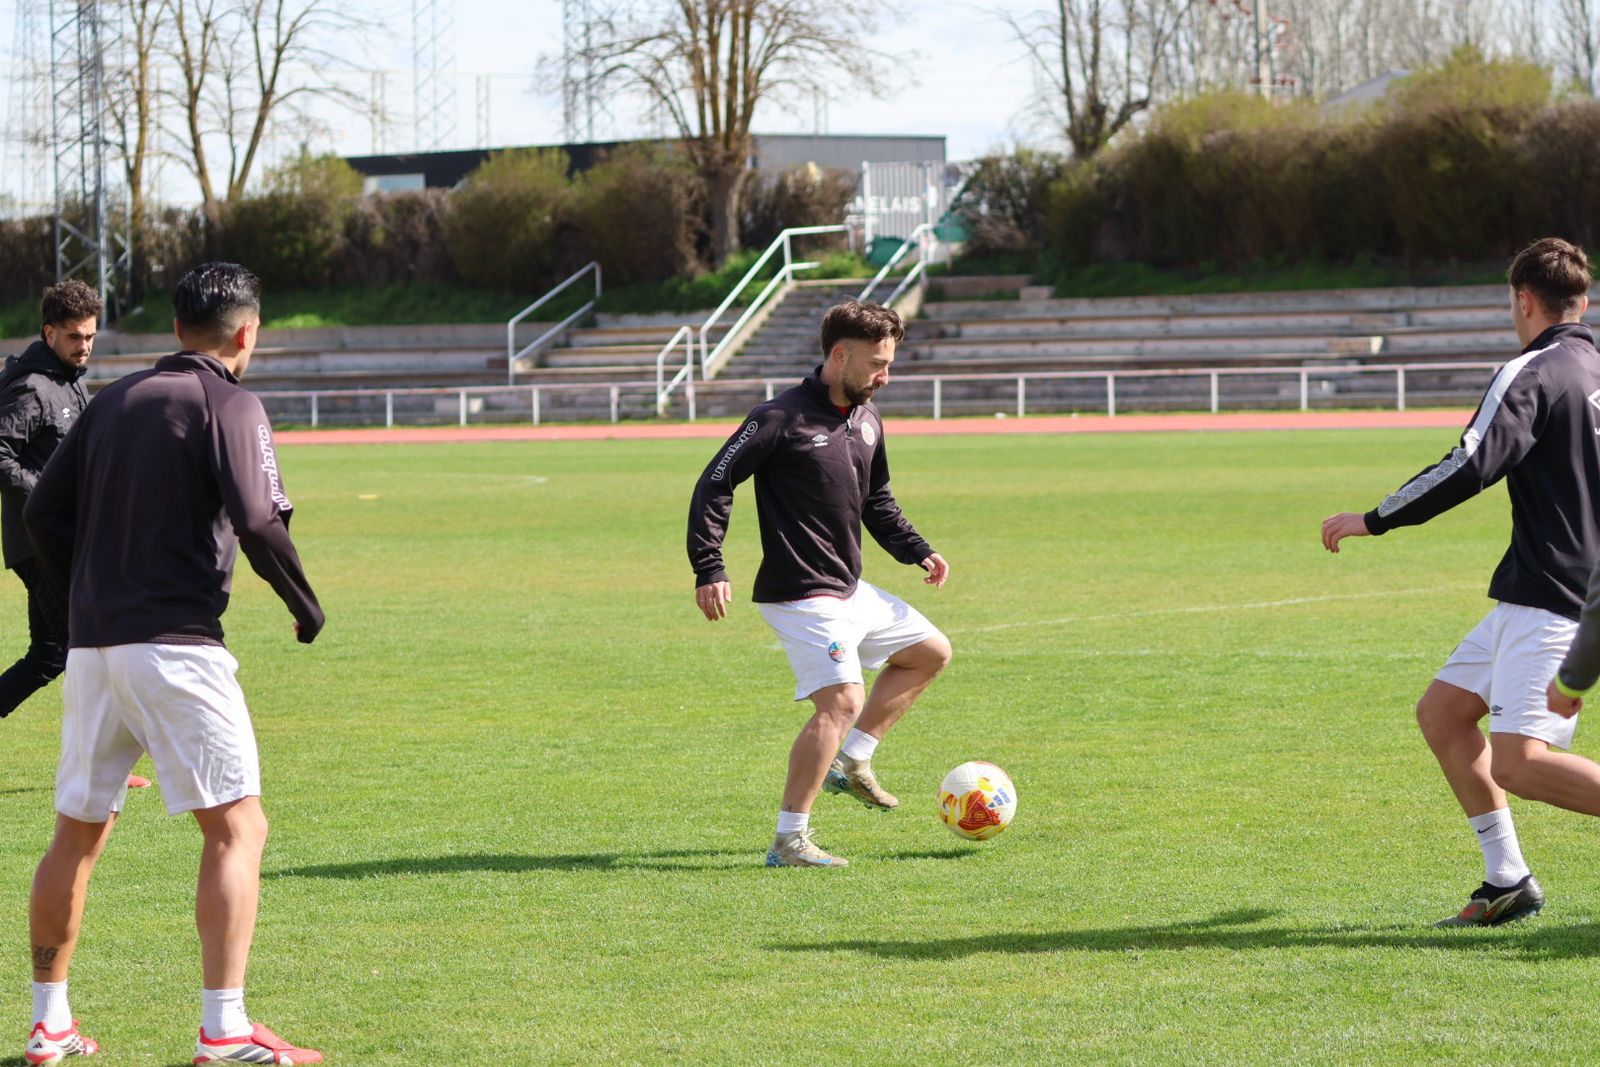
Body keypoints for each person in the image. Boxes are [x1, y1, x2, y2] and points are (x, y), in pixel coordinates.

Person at [22, 263, 326, 1066]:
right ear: (246, 332)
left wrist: (80, 601)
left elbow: (41, 510)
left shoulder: (112, 399)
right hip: (178, 645)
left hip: (95, 649)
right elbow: (260, 517)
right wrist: (305, 603)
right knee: (237, 826)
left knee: (75, 837)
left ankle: (47, 1022)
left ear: (176, 328)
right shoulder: (230, 400)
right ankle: (224, 1029)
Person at [1322, 236, 1600, 927]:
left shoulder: (1532, 371)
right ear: (1583, 301)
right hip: (1536, 589)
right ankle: (1509, 881)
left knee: (1519, 763)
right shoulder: (1595, 366)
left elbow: (1470, 463)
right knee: (1443, 712)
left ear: (1523, 299)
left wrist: (1374, 518)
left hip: (1558, 594)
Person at [687, 298, 953, 868]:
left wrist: (918, 550)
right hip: (799, 593)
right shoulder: (778, 417)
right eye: (878, 363)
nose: (886, 375)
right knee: (841, 702)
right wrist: (709, 565)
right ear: (840, 355)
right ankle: (789, 840)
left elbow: (876, 500)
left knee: (930, 653)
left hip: (847, 587)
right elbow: (715, 482)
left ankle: (854, 760)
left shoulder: (868, 419)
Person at [0, 282, 150, 793]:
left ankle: (106, 760)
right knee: (95, 645)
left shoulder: (67, 380)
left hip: (54, 540)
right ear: (49, 332)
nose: (84, 345)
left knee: (50, 652)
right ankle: (106, 764)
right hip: (41, 541)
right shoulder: (33, 388)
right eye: (73, 337)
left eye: (89, 336)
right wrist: (51, 495)